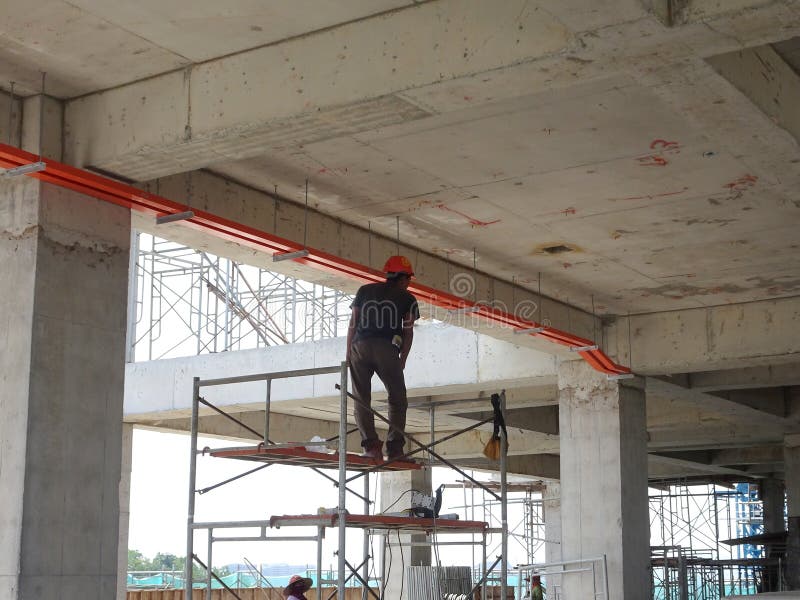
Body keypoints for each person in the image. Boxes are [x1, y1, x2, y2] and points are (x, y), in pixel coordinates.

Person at [347, 255, 419, 461]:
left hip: (358, 346)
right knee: (397, 399)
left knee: (361, 399)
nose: (409, 283)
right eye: (409, 279)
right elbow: (408, 332)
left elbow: (353, 322)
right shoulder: (408, 298)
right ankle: (395, 449)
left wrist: (348, 351)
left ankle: (371, 447)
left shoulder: (364, 290)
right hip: (386, 348)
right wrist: (402, 359)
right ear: (403, 278)